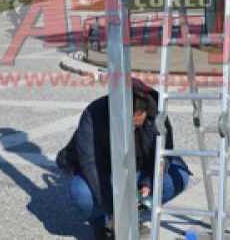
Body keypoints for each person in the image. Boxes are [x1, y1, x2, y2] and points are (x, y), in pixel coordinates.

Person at [56, 79, 191, 239]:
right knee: (81, 192)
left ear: (146, 112)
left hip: (139, 171)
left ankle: (135, 217)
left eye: (137, 124)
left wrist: (148, 182)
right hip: (106, 174)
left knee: (179, 177)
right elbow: (90, 164)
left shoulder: (157, 115)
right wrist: (113, 209)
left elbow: (164, 153)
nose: (133, 130)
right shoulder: (93, 114)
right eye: (129, 125)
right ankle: (104, 224)